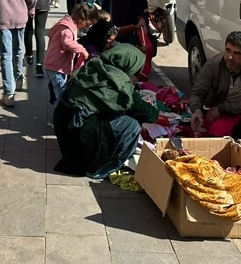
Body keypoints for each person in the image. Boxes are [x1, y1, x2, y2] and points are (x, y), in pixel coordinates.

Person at [52, 45, 160, 179]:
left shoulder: (90, 68)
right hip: (83, 143)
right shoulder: (118, 84)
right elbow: (149, 115)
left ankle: (81, 156)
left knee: (114, 114)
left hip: (65, 127)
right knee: (132, 123)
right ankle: (107, 165)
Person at [189, 32, 241, 156]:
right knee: (213, 149)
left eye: (237, 53)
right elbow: (197, 92)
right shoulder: (213, 64)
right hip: (220, 108)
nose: (230, 57)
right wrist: (197, 109)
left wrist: (221, 109)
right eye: (228, 50)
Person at [44, 3, 99, 101]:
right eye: (87, 24)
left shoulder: (68, 23)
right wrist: (82, 50)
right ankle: (61, 113)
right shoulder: (67, 28)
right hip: (56, 66)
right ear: (82, 18)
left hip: (58, 65)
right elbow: (67, 43)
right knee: (61, 95)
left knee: (62, 90)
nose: (85, 27)